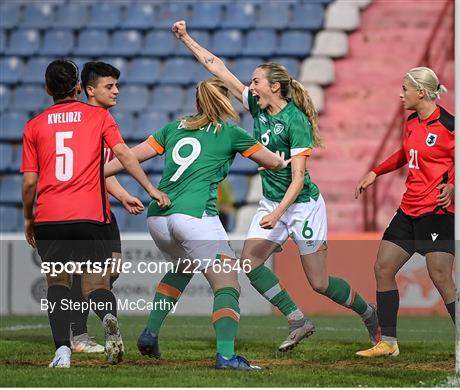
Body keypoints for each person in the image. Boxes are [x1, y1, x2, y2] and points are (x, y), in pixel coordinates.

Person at [171, 20, 380, 352]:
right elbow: (218, 68)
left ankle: (370, 314)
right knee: (249, 264)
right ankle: (297, 320)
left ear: (275, 86)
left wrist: (279, 213)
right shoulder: (257, 106)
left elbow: (298, 178)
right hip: (273, 203)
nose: (250, 87)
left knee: (320, 283)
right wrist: (186, 39)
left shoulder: (296, 122)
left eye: (256, 81)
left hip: (301, 206)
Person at [104, 77, 287, 370]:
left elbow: (129, 157)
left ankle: (150, 334)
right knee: (228, 284)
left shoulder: (173, 127)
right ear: (225, 101)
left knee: (182, 268)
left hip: (158, 217)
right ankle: (226, 356)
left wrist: (95, 173)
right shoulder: (230, 132)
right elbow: (272, 162)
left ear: (198, 101)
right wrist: (285, 160)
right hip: (195, 216)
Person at [21, 59, 170, 368]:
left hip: (50, 216)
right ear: (78, 87)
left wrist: (28, 218)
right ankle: (108, 318)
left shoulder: (34, 125)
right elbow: (123, 155)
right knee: (97, 286)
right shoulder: (98, 117)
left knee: (59, 285)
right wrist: (149, 189)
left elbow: (29, 182)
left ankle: (63, 350)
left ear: (47, 89)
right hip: (91, 215)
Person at [355, 67, 455, 358]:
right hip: (408, 209)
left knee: (440, 276)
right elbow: (404, 153)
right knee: (383, 268)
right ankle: (388, 342)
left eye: (405, 89)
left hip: (437, 212)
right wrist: (376, 171)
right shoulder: (412, 121)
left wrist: (454, 187)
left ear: (420, 92)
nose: (401, 94)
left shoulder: (450, 125)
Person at [68, 61, 145, 354]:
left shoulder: (104, 119)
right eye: (109, 86)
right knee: (84, 275)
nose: (116, 91)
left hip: (103, 210)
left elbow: (100, 170)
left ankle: (92, 324)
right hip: (83, 212)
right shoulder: (86, 121)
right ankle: (79, 334)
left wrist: (123, 195)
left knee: (112, 271)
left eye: (117, 86)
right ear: (90, 89)